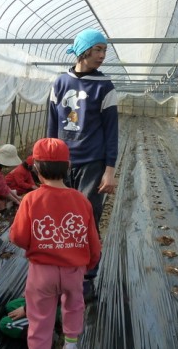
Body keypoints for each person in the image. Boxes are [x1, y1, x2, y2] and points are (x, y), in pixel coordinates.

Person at [9, 138, 101, 349]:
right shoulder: (81, 200)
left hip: (42, 272)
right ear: (68, 167)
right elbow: (93, 242)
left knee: (39, 315)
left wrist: (38, 245)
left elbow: (18, 237)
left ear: (36, 169)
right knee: (74, 305)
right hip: (74, 270)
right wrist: (87, 264)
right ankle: (70, 343)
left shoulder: (30, 200)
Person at [47, 28, 118, 278]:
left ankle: (87, 275)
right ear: (83, 50)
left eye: (104, 50)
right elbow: (52, 126)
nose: (102, 55)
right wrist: (48, 161)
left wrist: (109, 171)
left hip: (92, 163)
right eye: (98, 49)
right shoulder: (60, 82)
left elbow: (112, 132)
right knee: (60, 216)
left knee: (87, 216)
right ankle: (64, 267)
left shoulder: (105, 86)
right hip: (63, 163)